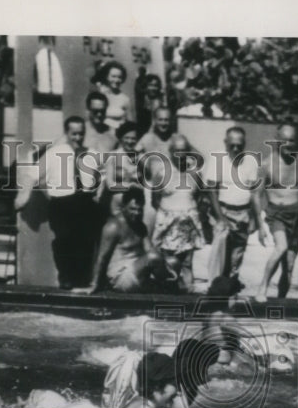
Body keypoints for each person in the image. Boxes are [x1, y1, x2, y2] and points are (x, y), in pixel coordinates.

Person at [14, 116, 102, 289]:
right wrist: (23, 196)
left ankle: (82, 280)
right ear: (67, 133)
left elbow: (103, 177)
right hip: (62, 204)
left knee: (85, 241)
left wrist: (98, 193)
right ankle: (66, 278)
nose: (78, 138)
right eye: (74, 134)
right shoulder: (54, 153)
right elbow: (32, 175)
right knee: (63, 240)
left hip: (84, 202)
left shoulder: (92, 154)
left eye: (81, 134)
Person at [254, 123, 298, 302]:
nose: (288, 144)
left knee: (290, 265)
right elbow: (256, 195)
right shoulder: (266, 164)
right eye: (284, 140)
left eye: (291, 140)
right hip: (277, 214)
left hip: (297, 214)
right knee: (281, 247)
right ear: (276, 140)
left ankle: (282, 302)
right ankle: (262, 288)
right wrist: (260, 226)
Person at [147, 133, 206, 292]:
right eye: (177, 150)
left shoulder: (195, 173)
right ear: (171, 151)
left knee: (187, 263)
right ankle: (166, 293)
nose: (181, 154)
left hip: (188, 223)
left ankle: (187, 293)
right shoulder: (162, 173)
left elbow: (200, 197)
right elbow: (155, 200)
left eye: (184, 150)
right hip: (167, 223)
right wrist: (170, 214)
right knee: (168, 262)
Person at [81, 186, 162, 294]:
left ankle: (164, 285)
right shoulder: (113, 226)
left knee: (173, 262)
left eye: (140, 210)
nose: (137, 213)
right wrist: (94, 284)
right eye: (132, 209)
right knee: (154, 257)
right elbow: (102, 258)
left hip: (138, 273)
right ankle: (165, 285)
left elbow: (149, 249)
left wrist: (165, 263)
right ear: (123, 207)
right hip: (121, 277)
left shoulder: (141, 226)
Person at [205, 126, 261, 282]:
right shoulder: (217, 159)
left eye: (239, 145)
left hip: (243, 214)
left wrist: (254, 219)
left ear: (244, 144)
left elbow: (253, 192)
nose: (236, 149)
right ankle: (216, 287)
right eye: (232, 145)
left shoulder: (250, 161)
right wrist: (220, 217)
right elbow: (211, 191)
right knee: (220, 255)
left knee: (237, 255)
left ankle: (231, 286)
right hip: (223, 211)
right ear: (225, 143)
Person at [101, 121, 144, 220]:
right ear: (121, 138)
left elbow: (145, 183)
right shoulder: (113, 156)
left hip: (135, 204)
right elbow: (110, 185)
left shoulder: (141, 158)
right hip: (118, 203)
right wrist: (129, 186)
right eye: (127, 138)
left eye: (133, 138)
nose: (130, 141)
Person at [94, 61, 135, 130]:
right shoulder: (99, 96)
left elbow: (131, 123)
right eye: (113, 76)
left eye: (119, 77)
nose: (116, 80)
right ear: (106, 77)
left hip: (119, 133)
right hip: (102, 133)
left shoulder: (125, 99)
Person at [83, 90, 118, 154]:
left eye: (102, 111)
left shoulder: (113, 133)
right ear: (88, 110)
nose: (99, 114)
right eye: (95, 111)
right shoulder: (80, 131)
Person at [136, 72, 167, 137]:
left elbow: (154, 123)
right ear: (145, 86)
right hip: (140, 131)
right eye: (150, 85)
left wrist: (148, 136)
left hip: (152, 133)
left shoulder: (158, 102)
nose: (153, 88)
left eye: (156, 86)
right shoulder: (141, 99)